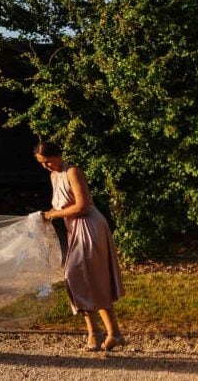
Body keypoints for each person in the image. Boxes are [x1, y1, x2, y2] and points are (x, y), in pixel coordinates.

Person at [35, 141, 125, 352]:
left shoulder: (72, 171)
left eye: (48, 161)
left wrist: (53, 215)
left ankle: (103, 333)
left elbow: (82, 206)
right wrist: (44, 216)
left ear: (58, 155)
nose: (46, 166)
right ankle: (106, 333)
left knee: (84, 276)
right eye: (42, 163)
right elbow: (60, 206)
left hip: (89, 227)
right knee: (80, 278)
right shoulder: (53, 176)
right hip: (74, 229)